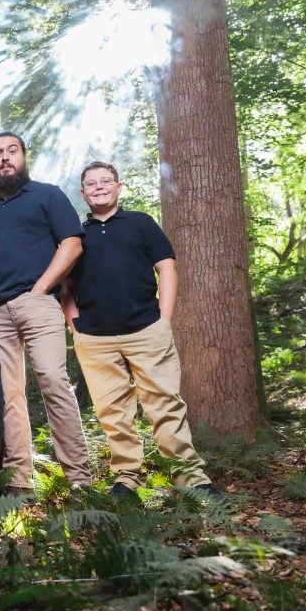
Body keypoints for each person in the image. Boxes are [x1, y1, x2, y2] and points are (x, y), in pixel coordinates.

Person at [60, 161, 219, 497]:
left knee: (165, 404)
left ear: (119, 187)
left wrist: (164, 319)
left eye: (106, 181)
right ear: (83, 193)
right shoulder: (76, 235)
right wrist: (74, 325)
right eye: (92, 183)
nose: (99, 186)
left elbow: (167, 269)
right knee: (113, 413)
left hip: (147, 330)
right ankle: (127, 479)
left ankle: (190, 477)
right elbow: (66, 285)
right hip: (95, 339)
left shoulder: (141, 223)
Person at [0, 132, 92, 497]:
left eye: (11, 151)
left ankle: (79, 479)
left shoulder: (48, 195)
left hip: (38, 303)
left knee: (52, 379)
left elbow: (72, 243)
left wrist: (40, 288)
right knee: (7, 396)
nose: (4, 158)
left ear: (23, 157)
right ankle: (19, 482)